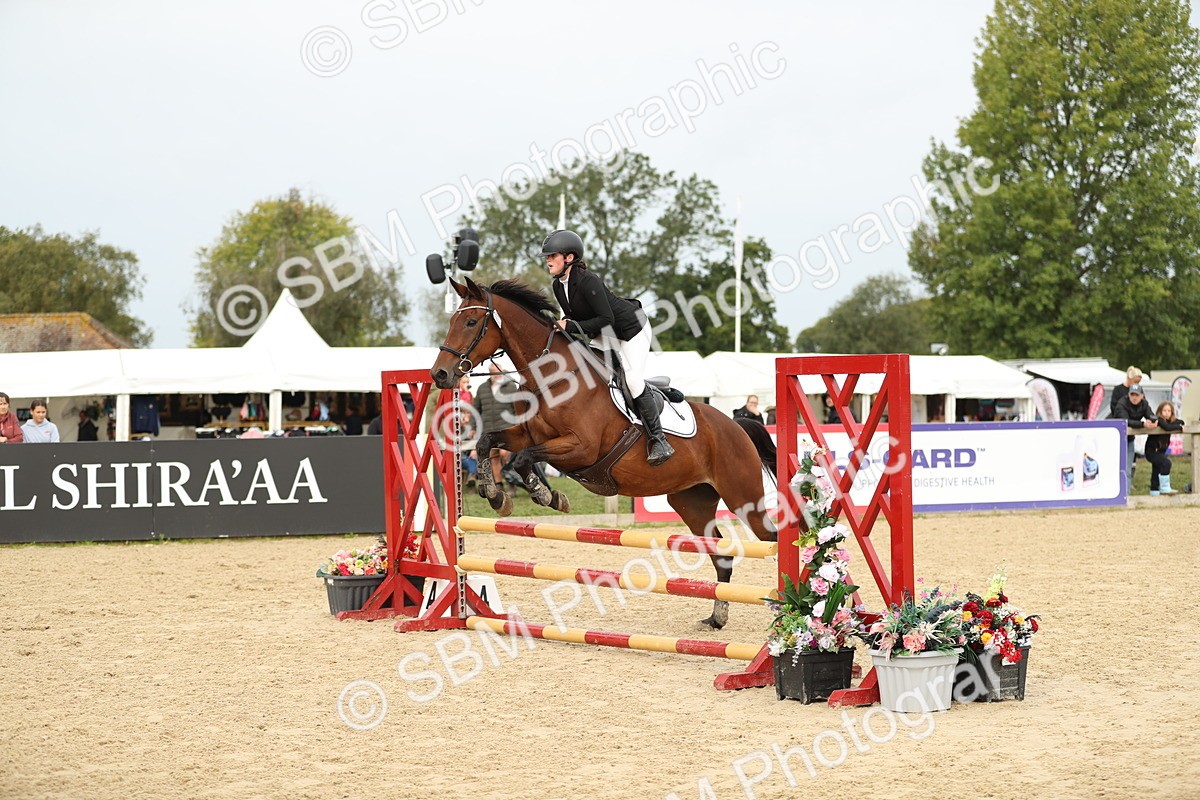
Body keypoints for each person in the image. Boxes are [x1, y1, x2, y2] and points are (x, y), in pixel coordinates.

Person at [544, 229, 673, 465]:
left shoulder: (588, 281)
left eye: (553, 255)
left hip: (630, 329)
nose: (548, 260)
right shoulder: (558, 286)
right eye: (547, 256)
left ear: (569, 258)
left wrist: (570, 325)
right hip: (604, 334)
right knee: (590, 372)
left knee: (632, 380)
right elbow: (576, 320)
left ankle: (659, 439)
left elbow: (606, 319)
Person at [471, 364, 520, 486]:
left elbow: (517, 409)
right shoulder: (482, 388)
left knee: (505, 455)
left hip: (506, 428)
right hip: (489, 429)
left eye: (499, 372)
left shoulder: (511, 387)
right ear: (489, 373)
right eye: (494, 373)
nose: (497, 375)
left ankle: (511, 481)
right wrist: (473, 427)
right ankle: (499, 484)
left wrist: (518, 425)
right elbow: (476, 410)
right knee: (494, 458)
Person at [1112, 383, 1157, 485]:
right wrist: (1143, 424)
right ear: (1128, 395)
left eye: (1137, 395)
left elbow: (1150, 415)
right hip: (1116, 440)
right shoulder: (1122, 403)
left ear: (1142, 396)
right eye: (1132, 395)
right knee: (1115, 468)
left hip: (1130, 439)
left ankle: (1126, 496)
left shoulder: (1144, 404)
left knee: (1127, 470)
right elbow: (1125, 421)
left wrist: (1154, 421)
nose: (1134, 397)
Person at [1145, 401, 1183, 495]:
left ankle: (1154, 492)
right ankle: (1165, 487)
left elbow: (1181, 422)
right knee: (1166, 463)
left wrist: (1178, 423)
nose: (1166, 413)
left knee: (1156, 470)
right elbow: (1167, 427)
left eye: (1169, 411)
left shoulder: (1171, 422)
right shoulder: (1159, 420)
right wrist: (1179, 427)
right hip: (1152, 450)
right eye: (1164, 410)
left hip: (1161, 450)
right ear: (1160, 412)